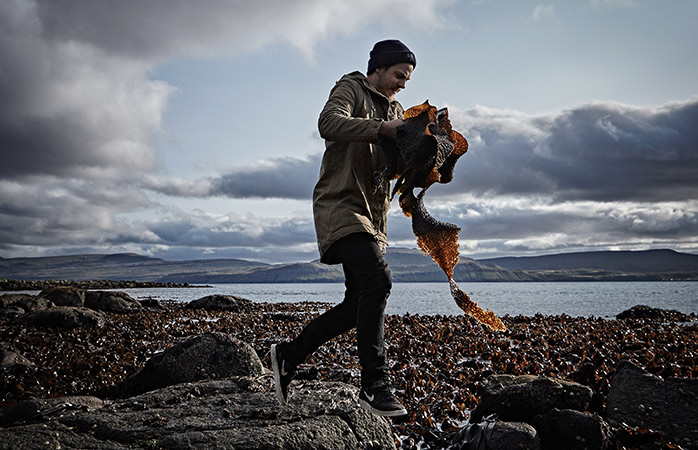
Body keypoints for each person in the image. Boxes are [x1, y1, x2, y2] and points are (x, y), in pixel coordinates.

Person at [271, 39, 416, 417]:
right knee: (379, 282)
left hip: (375, 216)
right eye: (399, 75)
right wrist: (383, 128)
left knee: (357, 304)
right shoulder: (351, 87)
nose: (402, 84)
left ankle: (288, 355)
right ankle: (375, 385)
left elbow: (392, 165)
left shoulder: (399, 109)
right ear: (380, 68)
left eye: (408, 79)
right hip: (341, 205)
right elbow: (328, 123)